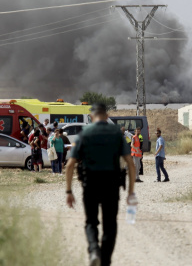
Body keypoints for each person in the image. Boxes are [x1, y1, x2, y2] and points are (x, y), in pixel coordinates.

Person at [65, 103, 136, 266]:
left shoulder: (85, 133)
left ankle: (94, 250)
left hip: (90, 184)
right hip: (111, 184)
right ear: (106, 115)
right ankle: (105, 261)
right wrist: (131, 192)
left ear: (91, 116)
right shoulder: (116, 133)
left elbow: (70, 165)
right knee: (110, 224)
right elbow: (130, 163)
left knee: (91, 222)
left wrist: (69, 191)